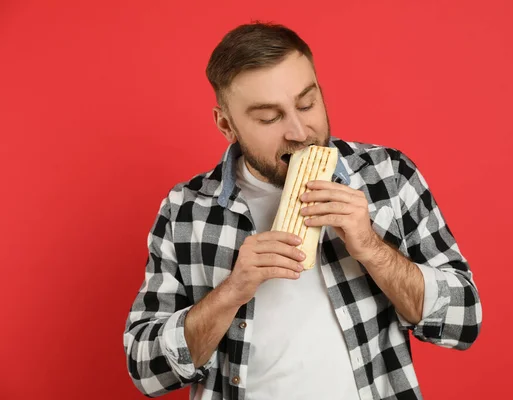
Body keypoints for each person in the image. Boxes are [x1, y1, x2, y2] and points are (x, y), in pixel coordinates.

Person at [123, 22, 482, 400]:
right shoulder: (186, 210)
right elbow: (146, 372)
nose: (299, 131)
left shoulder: (388, 177)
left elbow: (464, 321)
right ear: (226, 125)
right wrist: (232, 291)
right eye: (269, 118)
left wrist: (370, 249)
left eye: (307, 103)